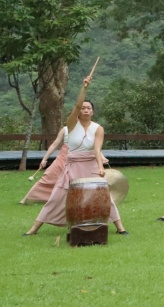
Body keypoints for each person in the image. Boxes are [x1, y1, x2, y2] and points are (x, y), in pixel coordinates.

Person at [23, 76, 128, 236]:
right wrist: (84, 87)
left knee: (103, 196)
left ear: (92, 111)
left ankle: (120, 228)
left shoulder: (98, 128)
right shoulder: (71, 125)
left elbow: (97, 148)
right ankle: (34, 228)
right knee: (57, 197)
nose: (85, 110)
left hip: (91, 166)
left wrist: (100, 167)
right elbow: (78, 104)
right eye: (83, 108)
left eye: (88, 108)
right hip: (72, 166)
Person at [20, 126, 68, 204]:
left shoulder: (89, 129)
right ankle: (27, 198)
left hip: (77, 160)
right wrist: (44, 159)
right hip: (62, 159)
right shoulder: (65, 129)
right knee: (48, 177)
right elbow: (54, 144)